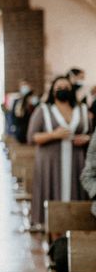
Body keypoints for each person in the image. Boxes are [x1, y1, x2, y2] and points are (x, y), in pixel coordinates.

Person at [27, 76, 91, 228]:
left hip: (76, 162)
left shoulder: (81, 109)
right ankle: (55, 241)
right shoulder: (43, 110)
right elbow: (32, 137)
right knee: (53, 197)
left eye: (66, 86)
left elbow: (91, 133)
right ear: (53, 91)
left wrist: (86, 138)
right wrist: (53, 135)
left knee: (75, 200)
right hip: (51, 163)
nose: (62, 89)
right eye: (59, 87)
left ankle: (74, 238)